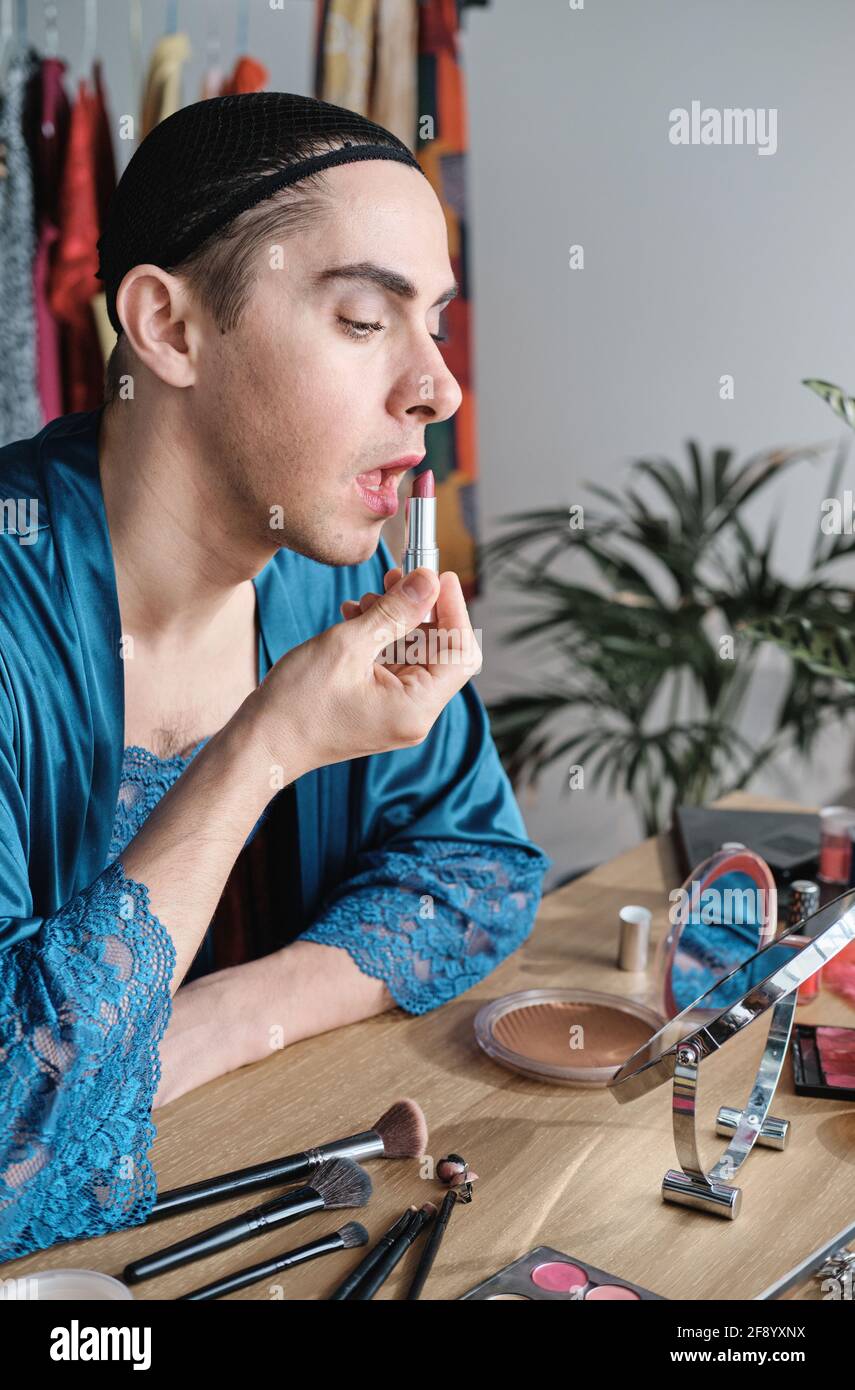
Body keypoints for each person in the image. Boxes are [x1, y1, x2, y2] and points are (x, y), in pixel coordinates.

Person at [0, 92, 550, 1262]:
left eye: (435, 323)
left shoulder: (323, 582)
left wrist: (214, 1021)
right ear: (170, 328)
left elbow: (476, 868)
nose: (441, 387)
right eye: (364, 320)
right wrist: (266, 745)